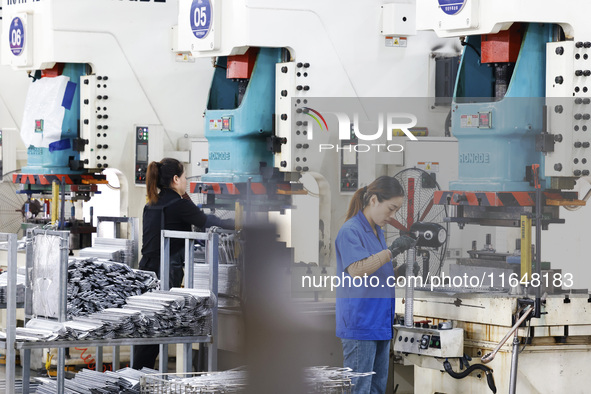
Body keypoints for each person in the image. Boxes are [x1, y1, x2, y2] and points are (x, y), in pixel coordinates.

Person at [132, 157, 233, 370]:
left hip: (147, 270)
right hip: (165, 273)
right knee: (156, 330)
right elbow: (208, 222)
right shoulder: (179, 205)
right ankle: (139, 379)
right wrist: (239, 223)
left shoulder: (152, 203)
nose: (186, 181)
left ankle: (137, 377)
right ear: (176, 179)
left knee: (148, 330)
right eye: (185, 177)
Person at [335, 175, 415, 394]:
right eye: (390, 209)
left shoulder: (377, 232)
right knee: (359, 390)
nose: (392, 216)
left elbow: (377, 274)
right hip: (361, 324)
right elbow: (357, 270)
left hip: (379, 324)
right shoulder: (351, 231)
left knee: (377, 389)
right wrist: (393, 251)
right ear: (373, 200)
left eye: (396, 210)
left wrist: (400, 272)